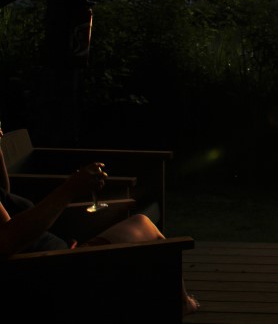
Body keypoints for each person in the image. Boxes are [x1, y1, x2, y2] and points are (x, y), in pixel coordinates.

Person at [0, 127, 200, 317]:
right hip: (53, 271)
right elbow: (9, 239)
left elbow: (5, 195)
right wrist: (69, 190)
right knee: (144, 228)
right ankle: (179, 304)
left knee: (142, 225)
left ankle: (175, 301)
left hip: (60, 254)